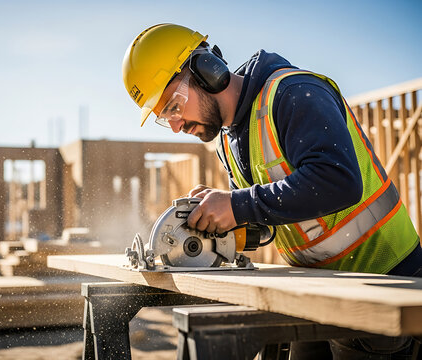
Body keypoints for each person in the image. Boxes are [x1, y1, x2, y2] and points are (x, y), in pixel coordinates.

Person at [122, 23, 422, 359]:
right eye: (165, 117)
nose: (175, 125)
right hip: (319, 287)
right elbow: (264, 222)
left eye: (173, 106)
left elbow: (339, 181)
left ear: (209, 72)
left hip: (387, 282)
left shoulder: (294, 93)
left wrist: (238, 204)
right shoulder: (228, 138)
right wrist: (220, 218)